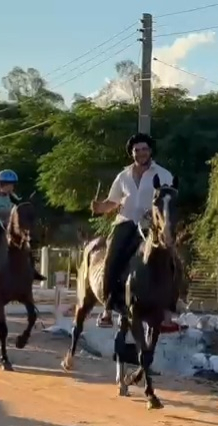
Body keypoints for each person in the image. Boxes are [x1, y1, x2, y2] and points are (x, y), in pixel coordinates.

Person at [90, 133, 174, 327]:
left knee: (171, 259)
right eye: (137, 150)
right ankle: (108, 308)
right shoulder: (123, 176)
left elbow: (168, 199)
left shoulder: (162, 174)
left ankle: (169, 309)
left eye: (144, 149)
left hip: (151, 225)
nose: (141, 153)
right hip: (126, 222)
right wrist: (100, 207)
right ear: (132, 153)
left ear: (150, 151)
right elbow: (113, 201)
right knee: (112, 258)